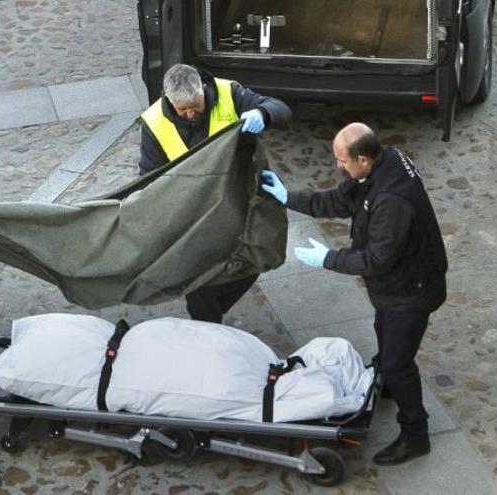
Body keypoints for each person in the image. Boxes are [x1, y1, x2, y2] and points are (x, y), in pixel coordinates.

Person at [260, 122, 447, 466]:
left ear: (363, 159)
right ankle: (389, 381)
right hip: (395, 288)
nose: (338, 167)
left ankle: (415, 434)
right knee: (383, 332)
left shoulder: (391, 201)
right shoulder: (382, 164)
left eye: (342, 161)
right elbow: (340, 199)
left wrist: (328, 259)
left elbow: (376, 259)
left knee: (397, 360)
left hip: (411, 290)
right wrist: (290, 197)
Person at [139, 63, 292, 324]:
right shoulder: (154, 122)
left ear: (203, 89)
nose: (189, 114)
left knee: (255, 259)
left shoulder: (228, 93)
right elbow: (149, 176)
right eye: (182, 109)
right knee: (199, 280)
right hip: (193, 212)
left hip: (237, 200)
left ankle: (212, 311)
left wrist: (262, 113)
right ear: (168, 100)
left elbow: (281, 109)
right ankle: (207, 325)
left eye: (195, 107)